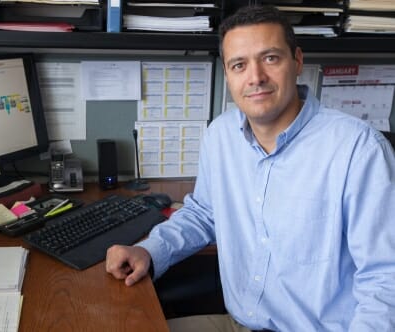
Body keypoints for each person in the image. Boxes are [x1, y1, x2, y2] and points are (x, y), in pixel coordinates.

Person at [106, 5, 395, 332]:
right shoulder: (220, 135)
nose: (255, 77)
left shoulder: (358, 149)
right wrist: (148, 251)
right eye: (239, 65)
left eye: (270, 58)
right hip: (238, 322)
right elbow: (203, 213)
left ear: (297, 61)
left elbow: (385, 278)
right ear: (228, 75)